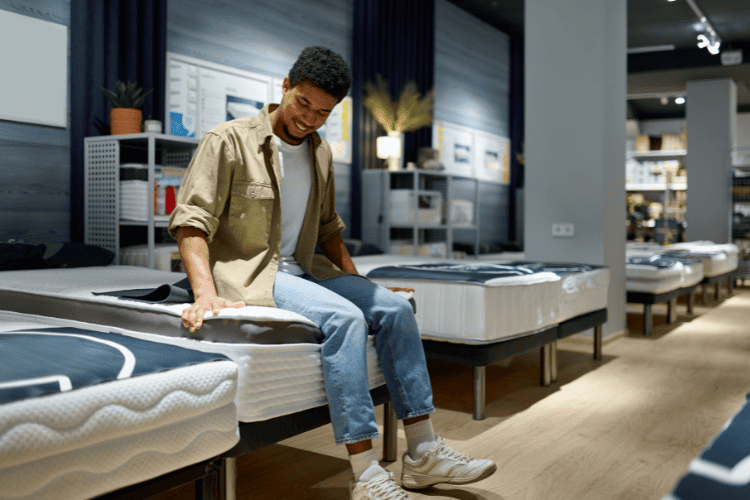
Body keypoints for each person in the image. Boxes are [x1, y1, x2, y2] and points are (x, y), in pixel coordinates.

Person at [168, 46, 496, 499]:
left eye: (323, 113)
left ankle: (423, 454)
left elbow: (329, 231)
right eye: (303, 103)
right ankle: (365, 474)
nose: (309, 119)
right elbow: (191, 223)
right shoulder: (228, 140)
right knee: (346, 319)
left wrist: (361, 285)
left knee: (397, 309)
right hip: (254, 273)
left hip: (306, 269)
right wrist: (204, 293)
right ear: (285, 86)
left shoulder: (321, 153)